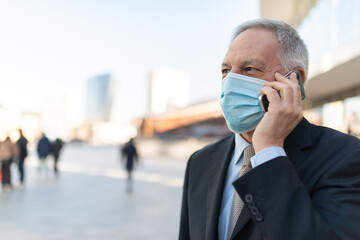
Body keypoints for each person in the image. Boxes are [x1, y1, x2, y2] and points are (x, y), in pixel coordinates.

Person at [179, 19, 360, 240]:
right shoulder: (200, 161)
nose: (230, 81)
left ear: (295, 80)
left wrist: (268, 151)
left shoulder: (345, 156)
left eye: (249, 69)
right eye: (226, 70)